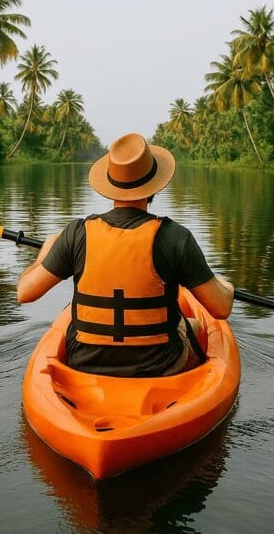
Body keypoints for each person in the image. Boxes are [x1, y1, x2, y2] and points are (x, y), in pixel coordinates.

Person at [17, 133, 234, 377]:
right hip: (161, 367)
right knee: (193, 325)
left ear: (111, 188)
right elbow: (221, 308)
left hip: (84, 364)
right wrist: (226, 285)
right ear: (154, 187)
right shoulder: (176, 237)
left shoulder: (76, 233)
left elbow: (25, 292)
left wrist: (45, 253)